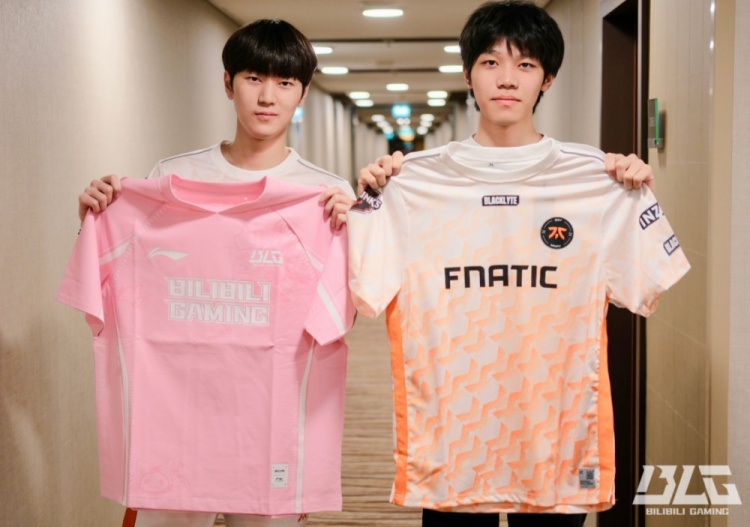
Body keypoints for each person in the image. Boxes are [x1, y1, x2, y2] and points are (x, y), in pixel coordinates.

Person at [346, 2, 689, 527]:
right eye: (490, 62)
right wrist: (367, 198)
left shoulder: (600, 182)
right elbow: (363, 289)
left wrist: (636, 196)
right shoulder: (409, 184)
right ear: (467, 74)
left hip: (557, 446)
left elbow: (646, 281)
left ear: (547, 78)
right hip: (453, 445)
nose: (507, 79)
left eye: (526, 64)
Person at [67, 19, 355, 527]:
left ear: (303, 92)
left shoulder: (325, 195)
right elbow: (126, 278)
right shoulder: (170, 178)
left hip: (272, 417)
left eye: (285, 82)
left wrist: (354, 234)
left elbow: (345, 312)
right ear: (228, 83)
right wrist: (96, 220)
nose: (267, 97)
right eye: (253, 78)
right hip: (174, 418)